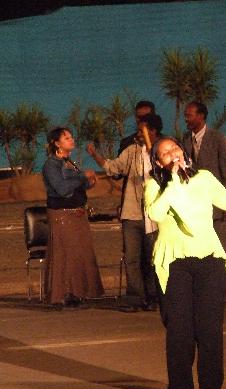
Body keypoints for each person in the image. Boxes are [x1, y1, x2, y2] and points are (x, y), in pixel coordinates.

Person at [144, 136, 226, 389]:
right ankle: (181, 388)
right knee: (180, 329)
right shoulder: (154, 185)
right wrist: (174, 181)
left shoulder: (203, 177)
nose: (172, 153)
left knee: (210, 327)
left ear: (183, 151)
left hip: (210, 258)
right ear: (158, 162)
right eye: (165, 153)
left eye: (174, 148)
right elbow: (155, 213)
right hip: (174, 261)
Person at [87, 114, 163, 312]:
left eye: (142, 130)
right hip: (132, 213)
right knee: (132, 258)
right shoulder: (132, 151)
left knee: (153, 258)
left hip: (154, 214)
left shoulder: (164, 151)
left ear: (153, 131)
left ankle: (154, 297)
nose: (137, 134)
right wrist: (96, 156)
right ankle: (135, 298)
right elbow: (114, 168)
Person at [42, 127, 104, 307]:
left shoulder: (68, 162)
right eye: (66, 138)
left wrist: (88, 182)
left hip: (76, 214)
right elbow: (61, 188)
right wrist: (82, 176)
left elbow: (76, 186)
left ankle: (78, 292)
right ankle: (62, 293)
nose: (71, 140)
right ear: (56, 143)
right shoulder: (52, 164)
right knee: (64, 254)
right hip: (63, 215)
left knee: (78, 254)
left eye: (71, 137)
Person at [183, 101, 226, 255]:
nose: (186, 119)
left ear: (201, 116)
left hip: (217, 206)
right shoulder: (185, 139)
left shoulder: (218, 139)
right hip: (195, 207)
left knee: (220, 252)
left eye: (189, 115)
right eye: (185, 116)